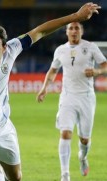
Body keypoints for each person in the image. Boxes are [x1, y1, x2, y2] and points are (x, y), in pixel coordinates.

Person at [0, 2, 101, 181]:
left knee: (16, 178)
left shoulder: (13, 48)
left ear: (4, 48)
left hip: (3, 128)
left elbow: (40, 31)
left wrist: (75, 16)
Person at [36, 22, 107, 181]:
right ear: (66, 32)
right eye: (71, 28)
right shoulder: (60, 50)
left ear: (82, 31)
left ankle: (82, 157)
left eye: (77, 28)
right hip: (67, 97)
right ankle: (65, 175)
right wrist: (44, 88)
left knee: (84, 139)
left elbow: (105, 65)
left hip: (87, 98)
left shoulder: (90, 47)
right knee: (65, 132)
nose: (74, 31)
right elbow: (53, 71)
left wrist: (97, 71)